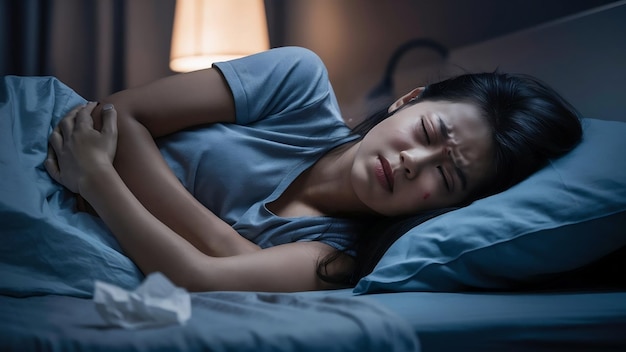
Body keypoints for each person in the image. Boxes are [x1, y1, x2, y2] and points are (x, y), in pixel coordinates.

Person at [44, 46, 582, 292]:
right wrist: (232, 247)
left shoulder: (337, 258)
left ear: (450, 207)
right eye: (426, 135)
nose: (411, 164)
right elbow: (118, 115)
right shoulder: (298, 83)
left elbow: (197, 277)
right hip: (44, 140)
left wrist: (101, 180)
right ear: (408, 100)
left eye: (446, 177)